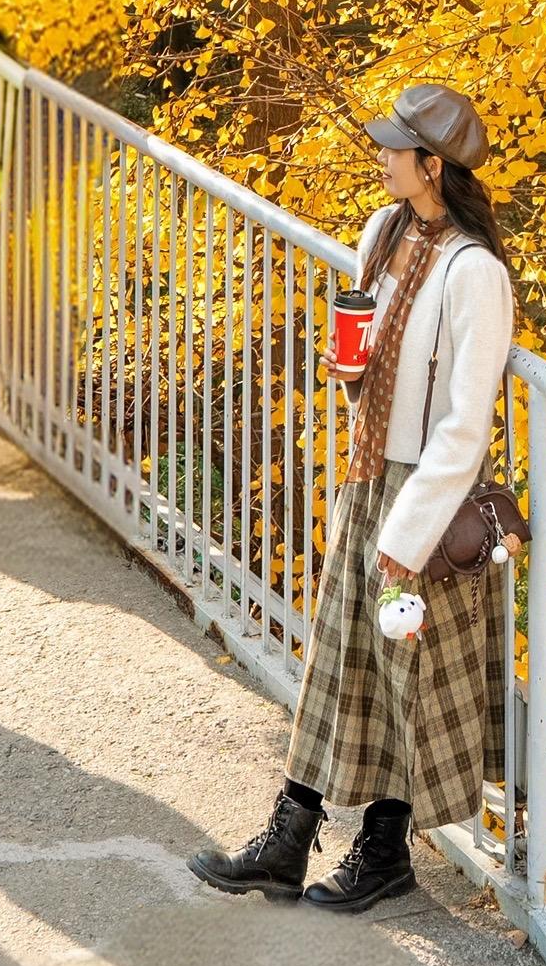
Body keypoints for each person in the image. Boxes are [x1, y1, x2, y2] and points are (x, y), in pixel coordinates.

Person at [189, 82, 515, 915]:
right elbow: (370, 356)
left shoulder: (475, 272)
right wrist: (350, 375)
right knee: (343, 660)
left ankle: (378, 848)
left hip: (423, 501)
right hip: (369, 475)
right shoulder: (383, 232)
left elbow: (465, 425)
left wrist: (409, 530)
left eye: (393, 148)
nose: (380, 156)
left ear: (430, 165)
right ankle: (293, 838)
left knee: (404, 673)